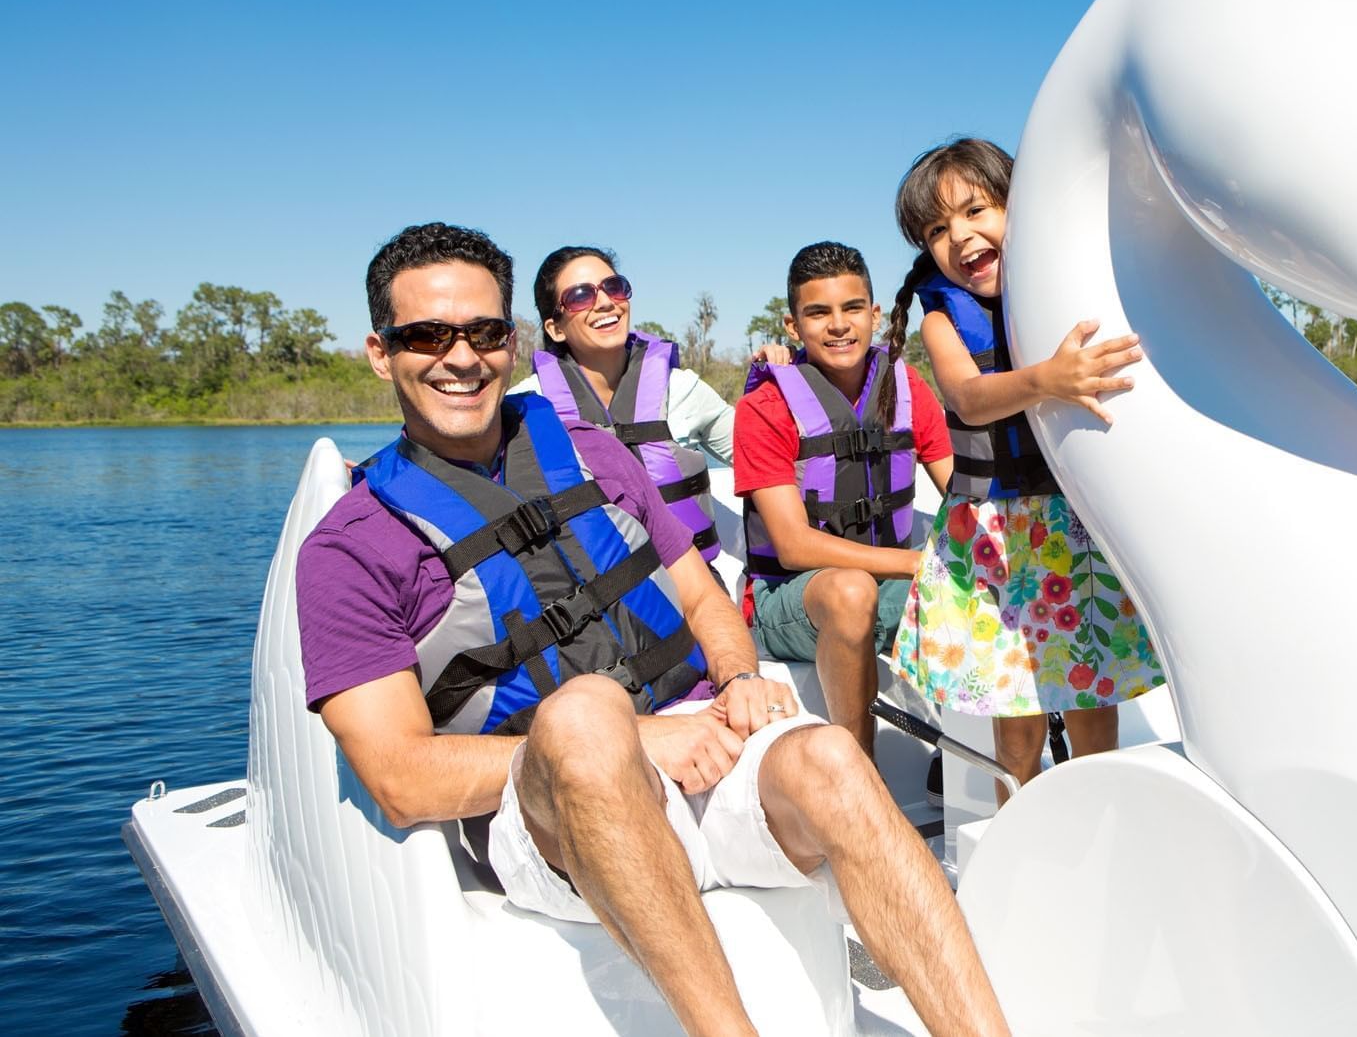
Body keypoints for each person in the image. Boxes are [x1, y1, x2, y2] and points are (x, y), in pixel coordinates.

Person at [298, 222, 1009, 1037]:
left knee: (834, 759)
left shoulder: (596, 454)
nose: (460, 357)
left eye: (483, 332)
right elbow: (396, 775)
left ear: (511, 341)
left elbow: (707, 601)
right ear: (381, 352)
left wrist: (740, 676)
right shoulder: (351, 545)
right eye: (427, 334)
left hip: (697, 740)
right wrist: (637, 743)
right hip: (549, 818)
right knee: (586, 714)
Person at [887, 139, 1167, 803]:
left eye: (976, 209)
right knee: (1017, 722)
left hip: (1076, 526)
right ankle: (1023, 832)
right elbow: (967, 396)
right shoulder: (938, 320)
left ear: (1020, 205)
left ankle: (1102, 823)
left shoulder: (1069, 284)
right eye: (936, 229)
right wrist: (1050, 378)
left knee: (1095, 700)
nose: (959, 236)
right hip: (996, 539)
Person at [733, 241, 953, 759]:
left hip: (890, 583)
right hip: (790, 602)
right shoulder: (764, 407)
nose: (839, 325)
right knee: (852, 592)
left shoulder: (908, 385)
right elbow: (793, 547)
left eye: (852, 308)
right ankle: (860, 770)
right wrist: (914, 563)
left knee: (980, 581)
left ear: (874, 314)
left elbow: (959, 490)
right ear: (792, 327)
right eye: (818, 313)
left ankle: (969, 761)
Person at [512, 244, 790, 565]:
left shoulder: (681, 388)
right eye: (580, 296)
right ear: (555, 328)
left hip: (692, 583)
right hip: (599, 598)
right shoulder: (527, 408)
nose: (605, 303)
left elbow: (768, 454)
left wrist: (778, 383)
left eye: (614, 288)